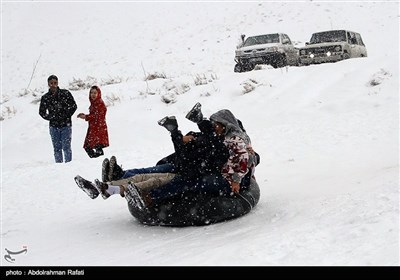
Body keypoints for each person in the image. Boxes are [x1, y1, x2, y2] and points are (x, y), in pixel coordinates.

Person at [39, 75, 77, 163]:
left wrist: (66, 115)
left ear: (57, 83)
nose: (53, 85)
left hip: (66, 125)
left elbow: (74, 106)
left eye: (55, 83)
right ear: (48, 84)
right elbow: (42, 112)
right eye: (51, 83)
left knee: (66, 147)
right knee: (57, 148)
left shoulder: (65, 93)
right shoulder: (45, 97)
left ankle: (69, 165)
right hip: (53, 126)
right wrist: (51, 117)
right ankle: (58, 166)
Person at [77, 85, 109, 158]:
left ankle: (97, 162)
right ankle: (95, 161)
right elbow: (94, 115)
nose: (93, 95)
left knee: (96, 147)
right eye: (91, 93)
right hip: (93, 128)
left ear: (98, 94)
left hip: (99, 128)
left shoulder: (100, 103)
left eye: (95, 93)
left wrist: (86, 117)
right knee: (89, 147)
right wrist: (86, 116)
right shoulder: (94, 103)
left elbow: (98, 116)